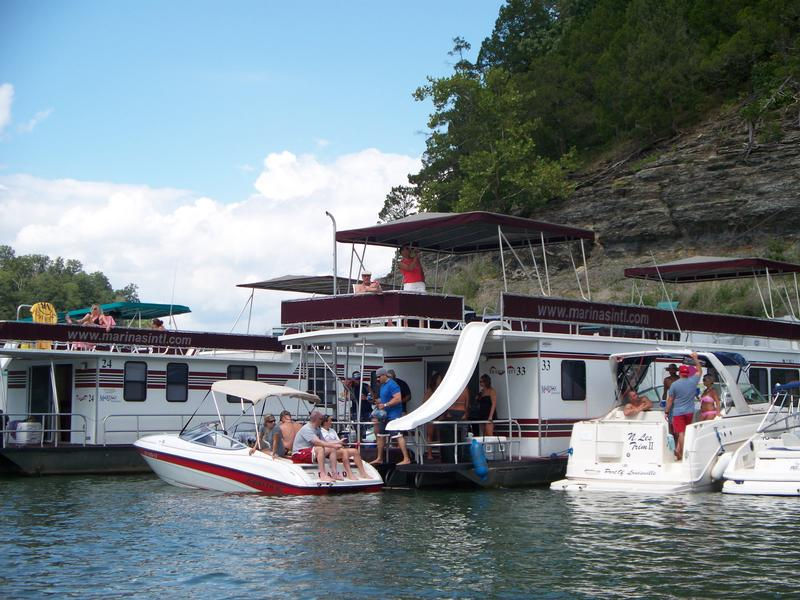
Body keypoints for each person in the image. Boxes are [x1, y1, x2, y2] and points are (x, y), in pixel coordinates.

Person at [665, 352, 702, 461]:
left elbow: (670, 400)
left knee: (680, 433)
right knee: (684, 432)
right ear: (687, 373)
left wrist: (666, 411)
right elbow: (700, 371)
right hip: (689, 412)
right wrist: (695, 358)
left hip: (678, 412)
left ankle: (685, 453)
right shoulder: (693, 381)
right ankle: (678, 451)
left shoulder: (674, 385)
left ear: (680, 373)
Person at [370, 367, 411, 466]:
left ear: (384, 375)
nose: (378, 379)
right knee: (380, 435)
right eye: (377, 377)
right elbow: (384, 399)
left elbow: (398, 399)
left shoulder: (392, 384)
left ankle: (406, 458)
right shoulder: (383, 385)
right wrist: (376, 402)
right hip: (384, 415)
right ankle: (379, 458)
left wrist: (385, 405)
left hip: (394, 414)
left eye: (379, 377)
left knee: (397, 435)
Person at [291, 411, 343, 482]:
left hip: (311, 452)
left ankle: (334, 473)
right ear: (316, 419)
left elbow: (324, 441)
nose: (323, 420)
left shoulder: (317, 429)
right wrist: (333, 445)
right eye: (321, 418)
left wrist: (338, 442)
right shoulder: (307, 429)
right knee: (320, 448)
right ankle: (323, 475)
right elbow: (317, 442)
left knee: (332, 449)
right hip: (299, 453)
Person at [320, 414, 370, 479]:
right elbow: (324, 443)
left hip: (338, 448)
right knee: (344, 452)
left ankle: (363, 473)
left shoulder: (332, 430)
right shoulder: (320, 431)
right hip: (329, 450)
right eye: (330, 420)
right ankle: (349, 473)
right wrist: (337, 443)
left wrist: (341, 443)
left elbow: (338, 440)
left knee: (355, 451)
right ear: (325, 422)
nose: (331, 422)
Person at [423, 371, 443, 460]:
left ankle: (440, 453)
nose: (441, 380)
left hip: (440, 413)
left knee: (440, 434)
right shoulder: (430, 390)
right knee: (430, 434)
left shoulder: (442, 390)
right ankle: (429, 454)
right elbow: (424, 402)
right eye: (439, 379)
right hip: (431, 414)